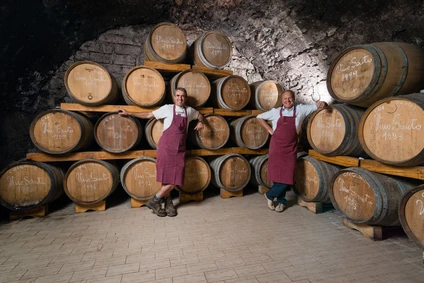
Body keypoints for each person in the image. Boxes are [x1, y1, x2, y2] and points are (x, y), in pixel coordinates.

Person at [119, 87, 204, 217]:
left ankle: (155, 200)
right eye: (178, 95)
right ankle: (168, 203)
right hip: (166, 147)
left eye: (182, 96)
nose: (180, 98)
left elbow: (200, 115)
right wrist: (129, 113)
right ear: (174, 96)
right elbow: (148, 115)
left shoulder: (190, 111)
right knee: (166, 177)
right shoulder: (168, 108)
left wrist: (201, 122)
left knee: (176, 178)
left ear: (185, 98)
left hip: (180, 149)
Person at [256, 90, 327, 212]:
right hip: (276, 147)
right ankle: (282, 202)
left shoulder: (300, 109)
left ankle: (270, 195)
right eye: (285, 99)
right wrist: (269, 129)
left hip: (291, 147)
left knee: (288, 175)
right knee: (278, 176)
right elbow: (259, 117)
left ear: (293, 99)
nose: (287, 100)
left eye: (290, 98)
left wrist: (323, 104)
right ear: (282, 100)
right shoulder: (275, 112)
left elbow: (318, 105)